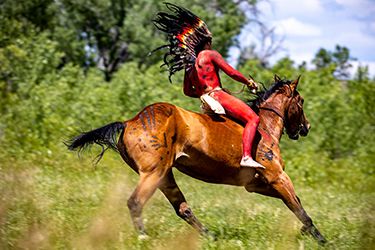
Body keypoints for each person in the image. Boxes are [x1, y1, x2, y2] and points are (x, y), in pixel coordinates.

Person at [149, 3, 264, 169]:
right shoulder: (210, 54)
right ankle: (246, 156)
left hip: (205, 101)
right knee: (253, 118)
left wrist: (204, 94)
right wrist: (248, 82)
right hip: (217, 96)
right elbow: (231, 72)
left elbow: (187, 91)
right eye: (211, 42)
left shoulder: (189, 65)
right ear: (207, 42)